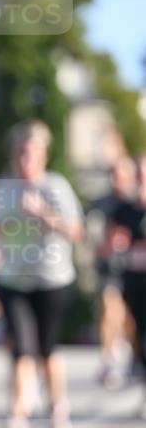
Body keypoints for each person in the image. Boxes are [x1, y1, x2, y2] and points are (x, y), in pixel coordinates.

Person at [0, 121, 84, 428]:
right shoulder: (2, 188)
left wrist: (44, 213)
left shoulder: (55, 187)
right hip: (12, 279)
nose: (23, 159)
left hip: (51, 279)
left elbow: (75, 232)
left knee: (46, 350)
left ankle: (57, 409)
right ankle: (17, 417)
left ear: (43, 155)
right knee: (20, 348)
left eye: (30, 153)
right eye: (19, 153)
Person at [86, 155, 136, 388]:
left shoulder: (136, 202)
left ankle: (129, 354)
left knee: (129, 317)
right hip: (109, 265)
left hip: (134, 268)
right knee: (109, 306)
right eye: (115, 175)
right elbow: (92, 234)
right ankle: (108, 358)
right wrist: (106, 242)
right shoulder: (102, 204)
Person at [109, 152, 146, 418]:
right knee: (142, 334)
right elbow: (110, 241)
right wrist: (117, 242)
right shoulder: (124, 209)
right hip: (134, 279)